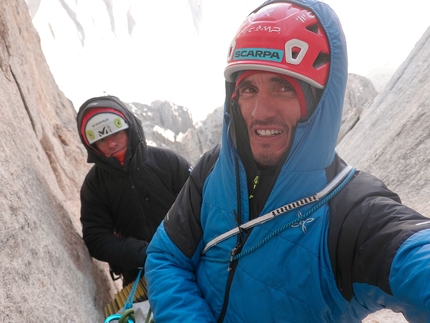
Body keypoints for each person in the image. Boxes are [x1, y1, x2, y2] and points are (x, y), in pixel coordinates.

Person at [145, 1, 430, 322]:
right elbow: (165, 256)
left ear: (318, 101)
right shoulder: (214, 168)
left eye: (283, 87)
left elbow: (412, 252)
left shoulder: (352, 213)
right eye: (249, 88)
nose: (260, 111)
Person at [76, 95, 192, 287]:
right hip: (139, 275)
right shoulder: (94, 185)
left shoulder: (167, 161)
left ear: (130, 130)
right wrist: (143, 253)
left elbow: (202, 203)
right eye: (102, 139)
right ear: (92, 145)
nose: (111, 143)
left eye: (116, 134)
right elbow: (96, 237)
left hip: (189, 259)